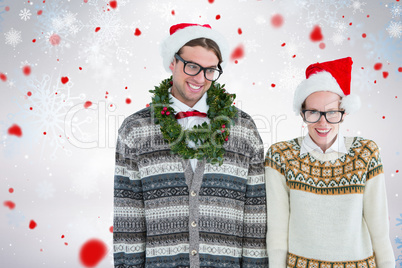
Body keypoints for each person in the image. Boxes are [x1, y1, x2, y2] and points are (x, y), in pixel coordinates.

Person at [113, 23, 268, 268]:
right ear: (172, 63)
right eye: (192, 66)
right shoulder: (136, 129)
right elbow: (128, 217)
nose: (200, 78)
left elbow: (255, 217)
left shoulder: (243, 128)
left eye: (210, 70)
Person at [265, 57, 395, 268]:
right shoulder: (281, 156)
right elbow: (278, 234)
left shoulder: (366, 153)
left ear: (343, 114)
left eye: (332, 112)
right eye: (313, 112)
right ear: (302, 113)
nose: (322, 122)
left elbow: (379, 231)